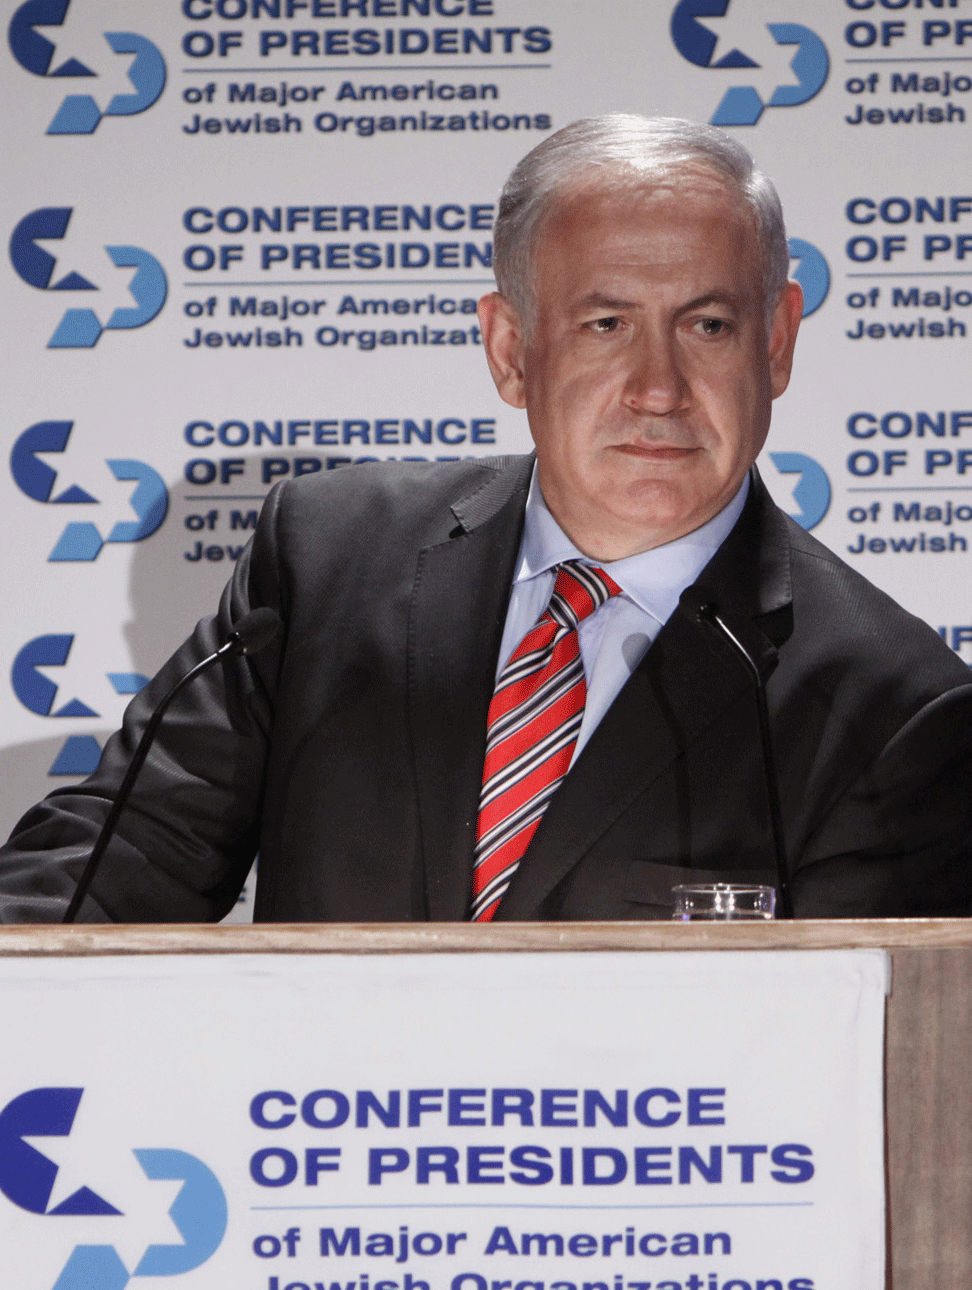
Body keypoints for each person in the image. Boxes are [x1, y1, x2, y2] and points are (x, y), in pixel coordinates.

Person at [1, 114, 970, 924]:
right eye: (606, 323)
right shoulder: (325, 560)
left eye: (708, 326)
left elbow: (864, 1067)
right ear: (511, 350)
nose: (659, 388)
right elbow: (111, 869)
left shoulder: (894, 709)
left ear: (778, 342)